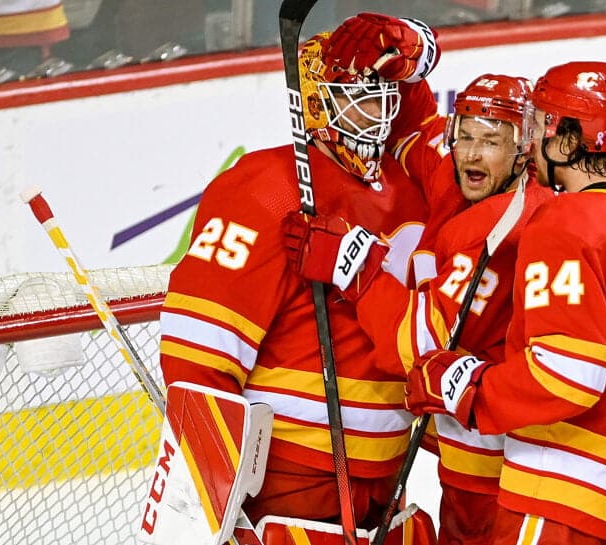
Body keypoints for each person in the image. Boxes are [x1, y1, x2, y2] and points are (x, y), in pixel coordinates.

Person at [157, 11, 449, 539]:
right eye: (354, 92)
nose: (376, 105)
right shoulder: (265, 189)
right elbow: (198, 353)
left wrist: (415, 45)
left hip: (387, 478)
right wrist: (209, 493)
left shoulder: (415, 187)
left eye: (384, 89)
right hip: (288, 474)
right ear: (315, 101)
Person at [403, 61, 606, 545]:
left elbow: (566, 376)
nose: (530, 137)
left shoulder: (562, 225)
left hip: (568, 496)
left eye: (540, 123)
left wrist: (466, 387)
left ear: (566, 138)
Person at [284, 73, 554, 545]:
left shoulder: (503, 234)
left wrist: (358, 268)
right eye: (465, 135)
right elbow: (411, 122)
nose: (471, 152)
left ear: (523, 149)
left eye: (491, 141)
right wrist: (402, 53)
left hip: (497, 463)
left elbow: (420, 349)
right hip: (464, 435)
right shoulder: (459, 178)